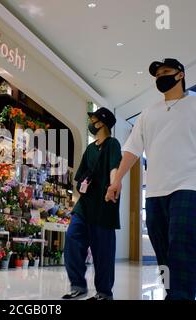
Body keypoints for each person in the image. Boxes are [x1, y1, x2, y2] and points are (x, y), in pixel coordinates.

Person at [106, 58, 196, 300]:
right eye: (157, 75)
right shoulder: (148, 113)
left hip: (190, 188)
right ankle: (170, 292)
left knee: (182, 242)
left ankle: (181, 296)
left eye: (165, 72)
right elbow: (132, 150)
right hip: (155, 191)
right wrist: (117, 180)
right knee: (162, 248)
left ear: (180, 75)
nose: (160, 77)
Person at [62, 107, 122, 300]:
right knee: (72, 238)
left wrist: (114, 185)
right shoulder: (89, 149)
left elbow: (115, 167)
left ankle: (104, 292)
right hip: (85, 205)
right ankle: (78, 285)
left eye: (94, 120)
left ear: (102, 123)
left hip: (104, 204)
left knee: (103, 251)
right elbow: (80, 177)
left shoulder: (113, 144)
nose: (91, 124)